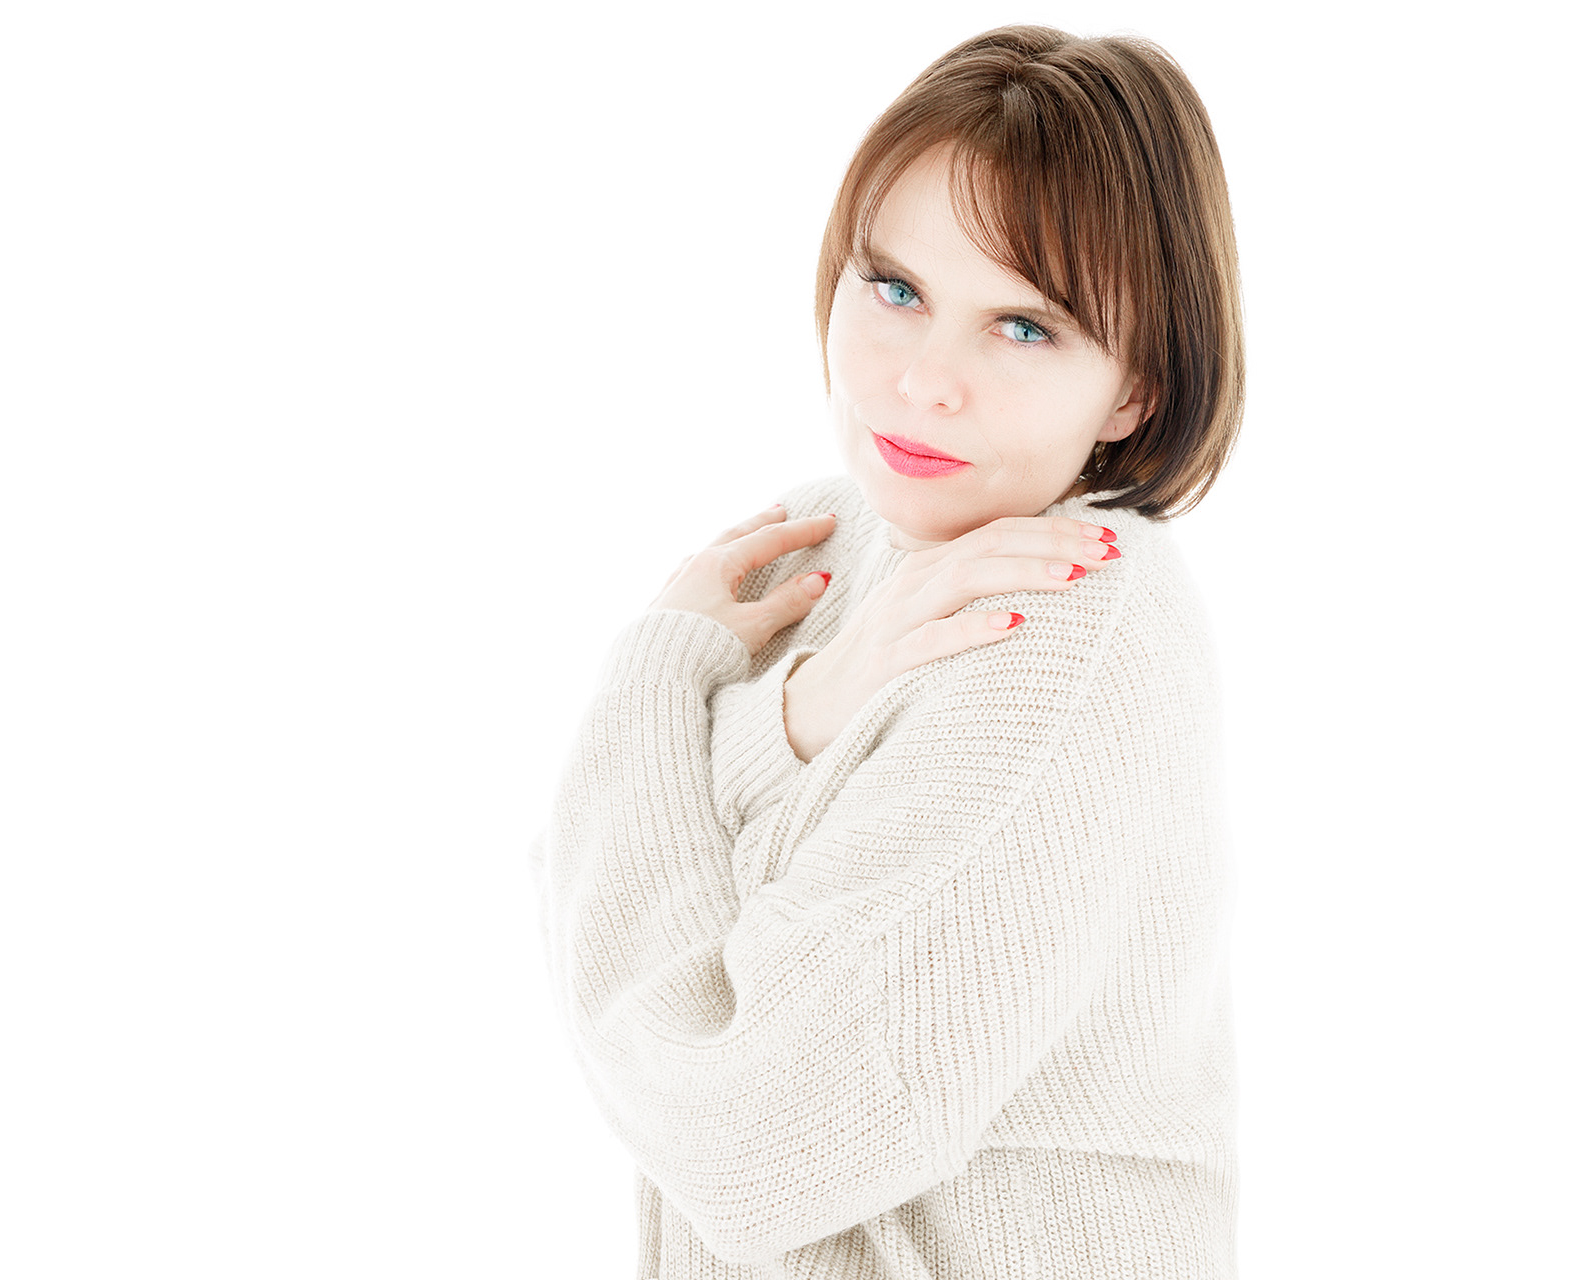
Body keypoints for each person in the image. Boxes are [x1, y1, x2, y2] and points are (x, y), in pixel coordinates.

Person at [528, 23, 1245, 1278]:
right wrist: (803, 710)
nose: (922, 384)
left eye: (1023, 326)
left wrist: (654, 688)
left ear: (1135, 388)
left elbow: (746, 1140)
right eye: (896, 289)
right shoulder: (827, 538)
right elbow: (615, 886)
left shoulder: (1064, 612)